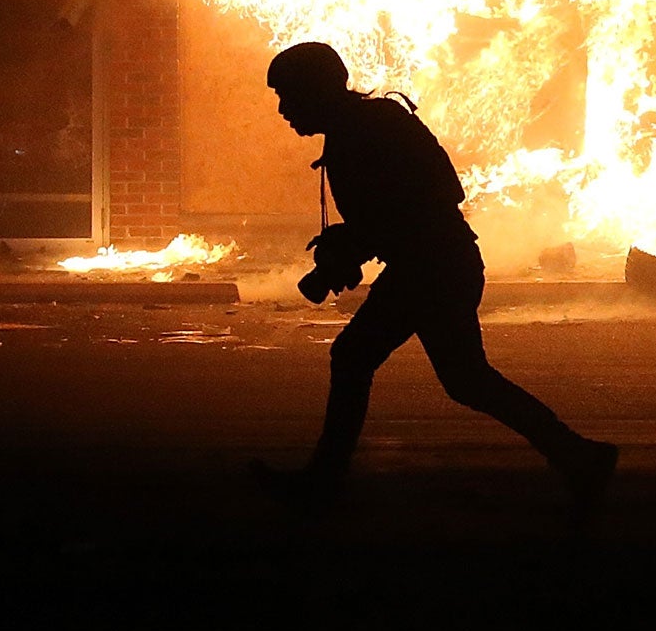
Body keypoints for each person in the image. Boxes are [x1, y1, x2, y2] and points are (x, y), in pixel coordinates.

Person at [254, 41, 616, 521]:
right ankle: (578, 456)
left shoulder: (374, 126)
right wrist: (354, 244)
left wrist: (355, 244)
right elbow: (394, 209)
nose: (283, 110)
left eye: (288, 95)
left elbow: (441, 192)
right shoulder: (352, 129)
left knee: (384, 363)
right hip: (426, 267)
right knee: (454, 377)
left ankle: (322, 484)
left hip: (435, 268)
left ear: (316, 89)